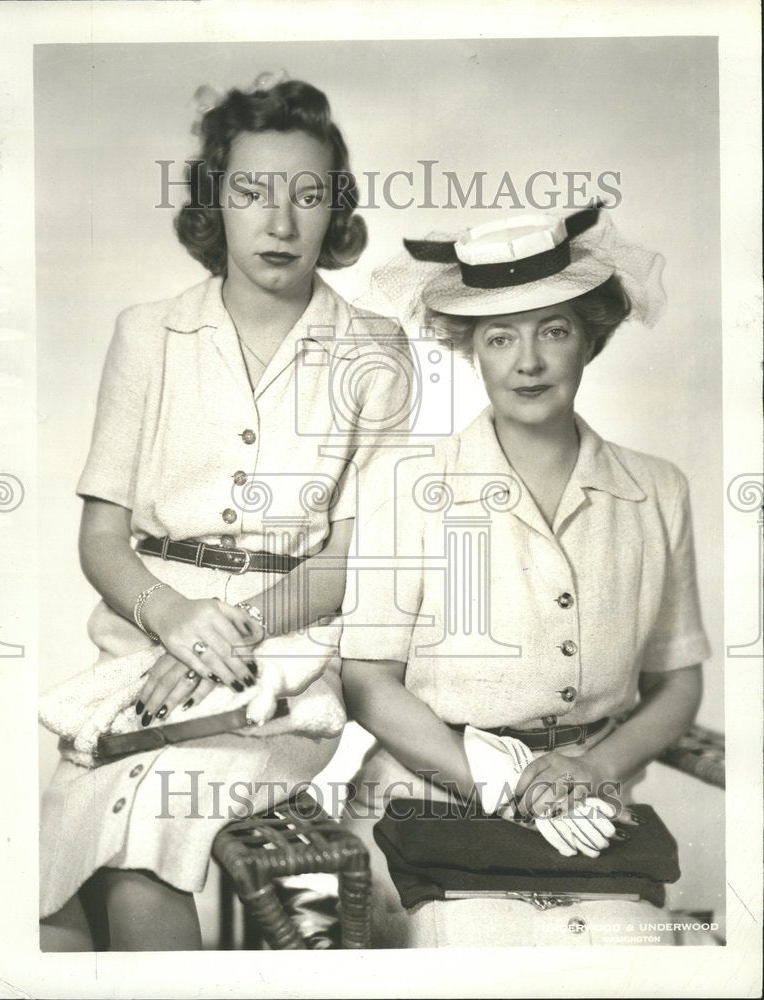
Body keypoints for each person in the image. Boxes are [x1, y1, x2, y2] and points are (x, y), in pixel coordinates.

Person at [39, 72, 410, 951]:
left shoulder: (377, 349)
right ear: (216, 202)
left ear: (335, 210)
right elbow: (101, 536)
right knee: (51, 895)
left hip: (285, 668)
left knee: (144, 841)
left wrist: (227, 634)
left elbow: (358, 555)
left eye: (307, 196)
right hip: (140, 654)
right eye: (252, 192)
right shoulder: (147, 332)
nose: (280, 224)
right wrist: (170, 617)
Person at [339, 205, 710, 946]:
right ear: (470, 347)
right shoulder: (406, 483)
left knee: (629, 960)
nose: (527, 362)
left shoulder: (656, 489)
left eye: (554, 331)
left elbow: (678, 683)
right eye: (500, 337)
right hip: (427, 806)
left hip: (592, 811)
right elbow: (366, 681)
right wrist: (501, 783)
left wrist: (594, 766)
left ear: (589, 340)